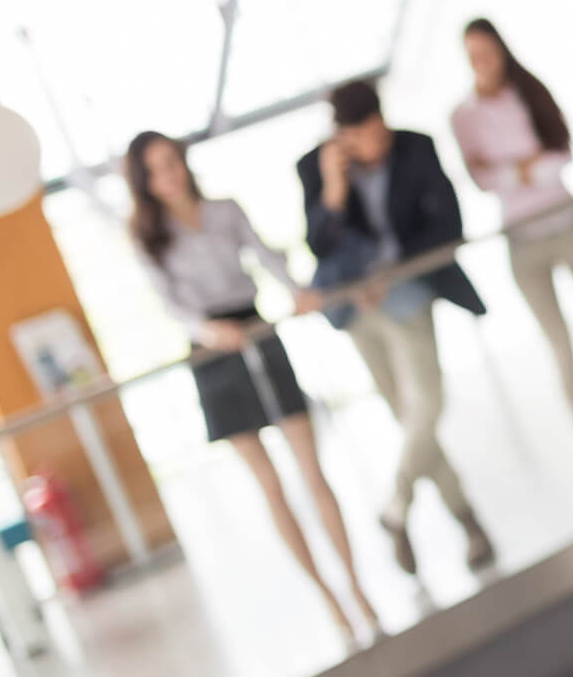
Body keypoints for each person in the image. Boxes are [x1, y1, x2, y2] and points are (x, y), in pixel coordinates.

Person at [125, 132, 379, 646]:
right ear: (146, 183)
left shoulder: (223, 211)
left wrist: (296, 291)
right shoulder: (148, 237)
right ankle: (329, 600)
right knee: (271, 485)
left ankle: (357, 588)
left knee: (313, 472)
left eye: (172, 163)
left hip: (257, 331)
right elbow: (169, 303)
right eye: (157, 170)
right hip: (211, 352)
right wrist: (205, 330)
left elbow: (267, 257)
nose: (170, 175)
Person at [297, 80, 495, 575]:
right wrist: (335, 189)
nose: (378, 146)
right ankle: (468, 521)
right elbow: (318, 245)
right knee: (407, 417)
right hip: (357, 311)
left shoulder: (416, 146)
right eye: (364, 138)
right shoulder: (313, 168)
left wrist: (392, 268)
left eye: (380, 133)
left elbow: (449, 223)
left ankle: (394, 507)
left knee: (427, 404)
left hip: (409, 291)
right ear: (342, 137)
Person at [451, 17, 573, 509]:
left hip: (570, 226)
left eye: (488, 52)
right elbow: (485, 182)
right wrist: (526, 166)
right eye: (473, 55)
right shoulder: (463, 116)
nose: (482, 63)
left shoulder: (530, 92)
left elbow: (560, 157)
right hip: (524, 245)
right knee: (563, 354)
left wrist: (513, 169)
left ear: (501, 50)